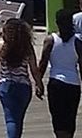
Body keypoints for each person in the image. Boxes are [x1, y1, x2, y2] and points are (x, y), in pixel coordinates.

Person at [0, 17, 44, 138]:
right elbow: (34, 69)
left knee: (11, 118)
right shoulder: (27, 47)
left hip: (6, 86)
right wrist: (38, 84)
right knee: (19, 118)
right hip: (24, 87)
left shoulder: (2, 46)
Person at [39, 9, 82, 138]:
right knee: (70, 118)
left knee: (57, 118)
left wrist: (38, 83)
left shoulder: (50, 40)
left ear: (57, 23)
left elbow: (43, 63)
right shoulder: (78, 42)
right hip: (73, 84)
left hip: (55, 84)